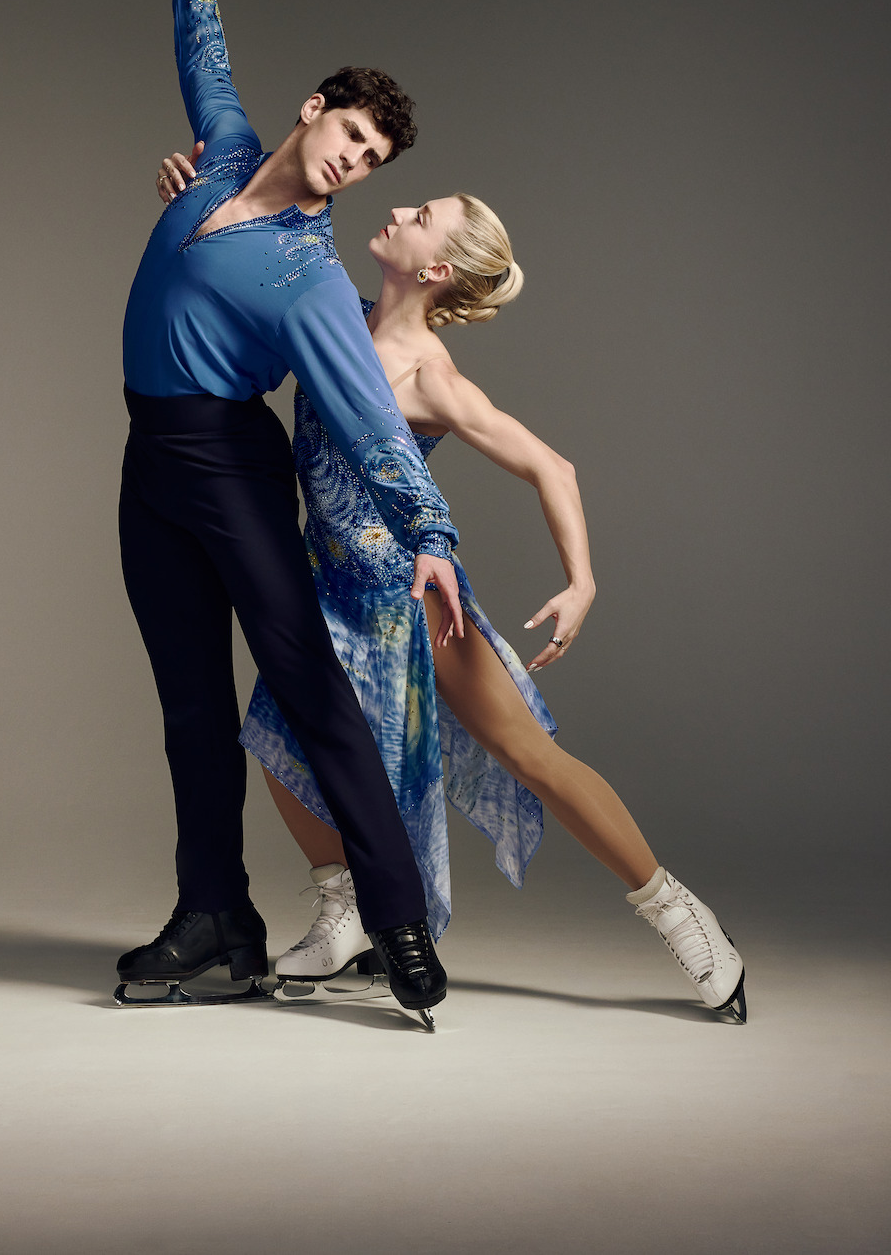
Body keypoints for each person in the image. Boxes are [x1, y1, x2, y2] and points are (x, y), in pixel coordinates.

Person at [154, 150, 747, 1023]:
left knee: (528, 756)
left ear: (435, 269)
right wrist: (198, 203)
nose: (397, 210)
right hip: (325, 591)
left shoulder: (433, 376)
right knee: (274, 743)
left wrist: (581, 582)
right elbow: (237, 266)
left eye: (421, 213)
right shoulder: (330, 318)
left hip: (413, 605)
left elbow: (554, 466)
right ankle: (346, 905)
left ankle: (681, 916)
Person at [108, 0, 468, 1027]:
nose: (355, 162)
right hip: (150, 463)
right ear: (312, 112)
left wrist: (432, 535)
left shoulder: (311, 277)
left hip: (231, 469)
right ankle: (215, 917)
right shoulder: (217, 158)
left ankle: (399, 921)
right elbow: (207, 65)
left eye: (373, 160)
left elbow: (367, 417)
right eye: (352, 136)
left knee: (309, 686)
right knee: (187, 709)